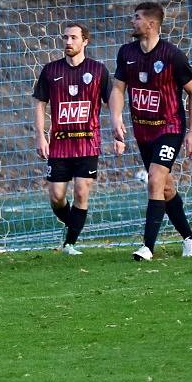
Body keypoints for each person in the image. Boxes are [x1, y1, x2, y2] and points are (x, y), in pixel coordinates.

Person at [109, 2, 192, 261]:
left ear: (151, 24)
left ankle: (147, 247)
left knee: (154, 178)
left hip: (170, 127)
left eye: (136, 18)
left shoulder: (172, 55)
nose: (132, 21)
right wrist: (115, 117)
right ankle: (190, 239)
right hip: (143, 131)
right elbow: (118, 89)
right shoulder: (126, 52)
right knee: (166, 188)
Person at [33, 23, 124, 255]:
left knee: (82, 191)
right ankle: (73, 224)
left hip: (87, 142)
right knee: (56, 196)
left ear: (85, 41)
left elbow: (112, 97)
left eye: (73, 37)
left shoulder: (97, 70)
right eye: (65, 37)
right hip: (60, 144)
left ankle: (69, 244)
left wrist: (117, 126)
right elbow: (40, 103)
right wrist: (41, 137)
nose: (68, 42)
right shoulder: (51, 71)